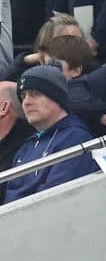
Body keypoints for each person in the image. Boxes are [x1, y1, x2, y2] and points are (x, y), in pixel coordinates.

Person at [4, 65, 97, 203]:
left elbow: (53, 200)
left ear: (56, 96)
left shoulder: (76, 139)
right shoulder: (25, 147)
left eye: (35, 94)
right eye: (23, 96)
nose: (26, 102)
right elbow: (9, 197)